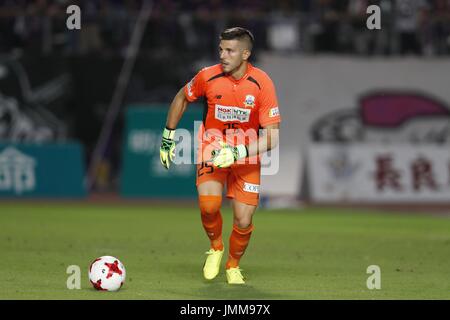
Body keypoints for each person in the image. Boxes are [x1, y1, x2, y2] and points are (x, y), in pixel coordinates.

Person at [159, 27, 281, 284]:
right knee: (209, 205)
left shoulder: (262, 83)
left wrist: (238, 151)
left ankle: (233, 266)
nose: (223, 55)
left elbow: (272, 137)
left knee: (244, 219)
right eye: (221, 50)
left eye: (230, 51)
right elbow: (182, 97)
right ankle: (216, 247)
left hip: (246, 153)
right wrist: (168, 135)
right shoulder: (207, 76)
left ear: (245, 54)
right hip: (212, 147)